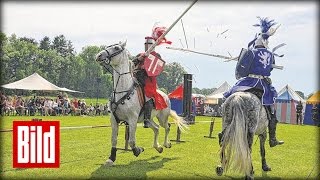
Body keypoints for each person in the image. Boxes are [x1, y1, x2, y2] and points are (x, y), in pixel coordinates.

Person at [223, 17, 284, 147]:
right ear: (266, 42)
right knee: (271, 107)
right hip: (262, 84)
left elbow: (242, 69)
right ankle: (272, 138)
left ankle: (225, 119)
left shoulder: (250, 52)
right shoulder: (271, 54)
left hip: (247, 82)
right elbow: (270, 70)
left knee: (230, 96)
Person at [132, 25, 171, 128]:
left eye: (149, 44)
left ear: (153, 45)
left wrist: (146, 64)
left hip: (148, 82)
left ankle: (147, 119)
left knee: (147, 97)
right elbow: (133, 63)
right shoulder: (140, 54)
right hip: (136, 78)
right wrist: (139, 59)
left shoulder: (156, 56)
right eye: (146, 44)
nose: (147, 46)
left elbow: (158, 68)